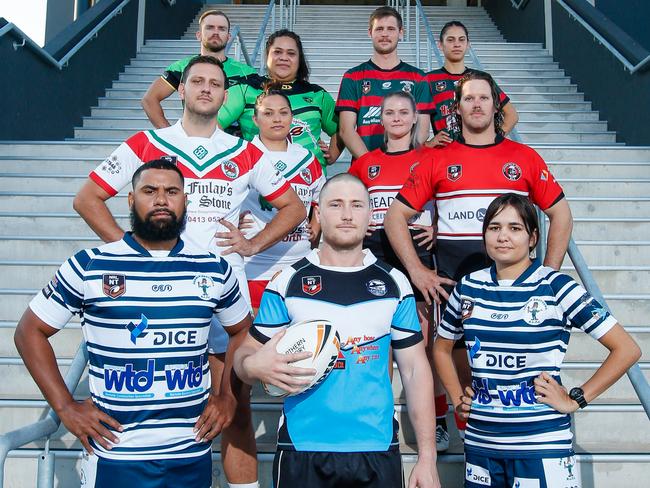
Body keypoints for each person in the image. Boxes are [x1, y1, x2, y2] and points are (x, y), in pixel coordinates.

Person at [74, 56, 308, 488]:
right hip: (153, 297)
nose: (205, 88)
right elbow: (87, 198)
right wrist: (128, 254)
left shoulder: (246, 151)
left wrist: (254, 244)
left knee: (232, 409)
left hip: (221, 297)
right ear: (179, 91)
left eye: (214, 84)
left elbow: (294, 207)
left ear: (225, 96)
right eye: (196, 81)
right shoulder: (145, 142)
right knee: (150, 406)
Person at [14, 160, 255, 487]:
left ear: (185, 201)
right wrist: (65, 406)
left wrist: (227, 395)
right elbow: (30, 331)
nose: (161, 200)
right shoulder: (90, 265)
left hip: (191, 453)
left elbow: (242, 330)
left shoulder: (214, 269)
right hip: (117, 456)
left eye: (171, 191)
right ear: (131, 200)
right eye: (149, 191)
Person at [384, 69, 573, 440]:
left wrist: (547, 276)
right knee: (460, 367)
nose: (476, 104)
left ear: (496, 105)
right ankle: (472, 437)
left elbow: (561, 214)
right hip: (458, 285)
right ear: (456, 108)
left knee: (519, 370)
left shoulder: (524, 157)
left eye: (484, 97)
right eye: (468, 98)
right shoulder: (437, 159)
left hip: (516, 287)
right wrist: (417, 272)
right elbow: (394, 217)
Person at [233, 174, 441, 488]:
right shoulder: (287, 281)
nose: (346, 214)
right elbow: (244, 356)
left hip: (376, 448)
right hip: (301, 449)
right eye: (336, 205)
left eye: (357, 205)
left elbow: (414, 370)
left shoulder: (394, 283)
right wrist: (252, 365)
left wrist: (427, 457)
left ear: (370, 215)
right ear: (318, 214)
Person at [433, 193, 641, 487]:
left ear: (533, 238)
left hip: (542, 445)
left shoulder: (557, 286)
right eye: (494, 227)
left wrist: (575, 399)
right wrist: (457, 398)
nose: (503, 236)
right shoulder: (469, 286)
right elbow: (441, 348)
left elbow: (627, 349)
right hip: (482, 445)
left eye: (514, 228)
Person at [347, 91, 452, 450]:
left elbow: (449, 202)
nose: (395, 118)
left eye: (403, 112)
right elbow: (350, 204)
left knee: (421, 341)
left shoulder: (433, 157)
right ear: (380, 118)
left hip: (417, 252)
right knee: (377, 340)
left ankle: (436, 419)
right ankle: (384, 414)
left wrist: (439, 228)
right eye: (388, 112)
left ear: (413, 118)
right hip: (375, 253)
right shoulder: (365, 163)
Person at [237, 88, 325, 315]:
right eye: (268, 113)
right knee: (255, 335)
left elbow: (321, 201)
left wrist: (315, 229)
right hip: (255, 264)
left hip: (299, 259)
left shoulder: (306, 158)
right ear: (255, 119)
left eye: (283, 112)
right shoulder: (243, 155)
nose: (277, 119)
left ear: (291, 117)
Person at [218, 29, 341, 172]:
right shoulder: (246, 88)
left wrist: (332, 154)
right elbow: (213, 123)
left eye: (291, 53)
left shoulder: (317, 94)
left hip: (309, 183)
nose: (284, 57)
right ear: (267, 55)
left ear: (299, 59)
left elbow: (342, 129)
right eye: (277, 52)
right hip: (258, 181)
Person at [336, 6, 433, 160]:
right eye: (379, 29)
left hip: (405, 167)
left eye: (391, 29)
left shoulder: (418, 78)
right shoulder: (352, 76)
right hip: (365, 169)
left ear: (401, 33)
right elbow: (346, 130)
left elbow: (422, 130)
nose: (385, 34)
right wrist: (371, 165)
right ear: (370, 33)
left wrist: (400, 160)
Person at [141, 9, 256, 129]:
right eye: (210, 27)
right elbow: (149, 99)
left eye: (221, 28)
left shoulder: (246, 73)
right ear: (199, 35)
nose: (216, 32)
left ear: (228, 37)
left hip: (231, 144)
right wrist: (169, 135)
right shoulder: (182, 67)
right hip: (193, 141)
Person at [426, 20, 519, 148]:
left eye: (461, 39)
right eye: (450, 40)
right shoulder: (429, 80)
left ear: (468, 44)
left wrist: (495, 138)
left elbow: (511, 114)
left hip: (479, 152)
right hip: (446, 155)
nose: (457, 44)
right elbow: (409, 119)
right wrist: (427, 144)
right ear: (440, 45)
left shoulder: (482, 79)